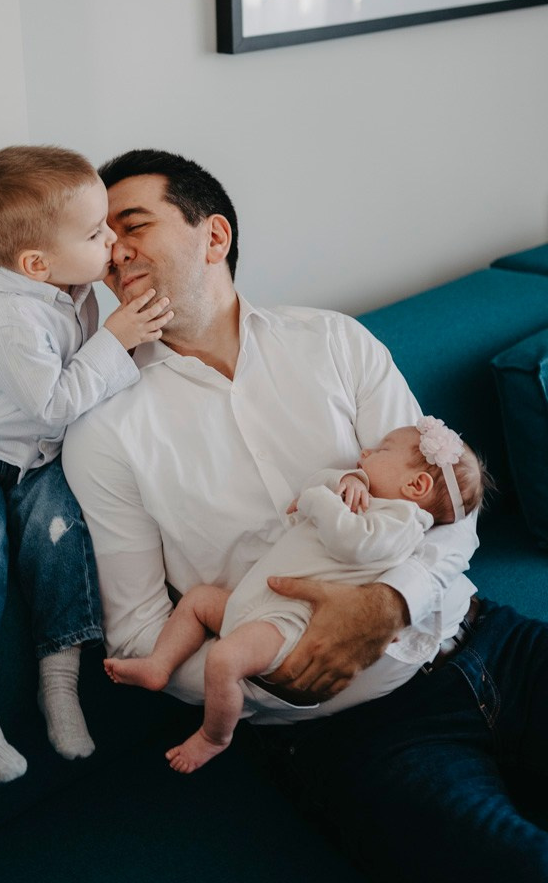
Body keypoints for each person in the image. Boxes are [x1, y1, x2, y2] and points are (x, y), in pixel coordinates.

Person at [63, 148, 548, 881]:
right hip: (351, 729)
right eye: (104, 238)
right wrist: (281, 666)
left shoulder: (334, 342)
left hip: (485, 638)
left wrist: (390, 602)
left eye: (133, 224)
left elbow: (447, 504)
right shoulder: (104, 432)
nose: (114, 251)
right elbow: (137, 633)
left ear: (213, 236)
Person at [0, 145, 173, 783]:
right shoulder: (10, 320)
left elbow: (86, 390)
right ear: (36, 263)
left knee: (61, 538)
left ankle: (59, 681)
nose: (112, 240)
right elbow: (55, 405)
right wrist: (116, 340)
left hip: (35, 457)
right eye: (96, 232)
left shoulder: (73, 288)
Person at [104, 417, 488, 773]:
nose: (367, 451)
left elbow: (353, 542)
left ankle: (214, 736)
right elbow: (318, 486)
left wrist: (318, 501)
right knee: (199, 600)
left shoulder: (402, 523)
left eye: (383, 450)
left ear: (416, 487)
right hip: (256, 603)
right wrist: (346, 479)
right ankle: (160, 664)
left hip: (289, 623)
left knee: (224, 660)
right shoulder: (367, 495)